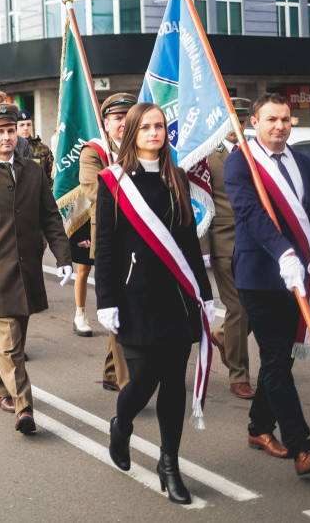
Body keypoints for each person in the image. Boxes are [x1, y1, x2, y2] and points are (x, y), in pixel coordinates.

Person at [224, 93, 310, 476]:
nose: (280, 126)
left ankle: (258, 428)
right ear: (255, 123)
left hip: (301, 279)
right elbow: (251, 214)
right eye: (271, 119)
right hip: (260, 277)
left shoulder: (305, 165)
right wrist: (283, 253)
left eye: (286, 119)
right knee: (277, 358)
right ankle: (301, 447)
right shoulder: (240, 162)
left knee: (282, 359)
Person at [95, 103, 213, 505]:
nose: (153, 133)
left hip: (177, 297)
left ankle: (169, 465)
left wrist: (205, 294)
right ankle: (121, 423)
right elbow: (106, 246)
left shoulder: (176, 177)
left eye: (159, 126)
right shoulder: (113, 181)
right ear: (131, 133)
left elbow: (188, 241)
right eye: (145, 127)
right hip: (134, 299)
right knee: (142, 381)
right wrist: (106, 299)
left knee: (173, 383)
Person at [0, 103, 73, 434]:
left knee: (15, 341)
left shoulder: (33, 171)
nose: (6, 137)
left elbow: (50, 216)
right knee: (8, 343)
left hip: (29, 271)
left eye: (10, 130)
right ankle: (24, 407)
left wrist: (63, 257)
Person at [81, 94, 136, 376]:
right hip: (110, 238)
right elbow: (94, 190)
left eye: (129, 116)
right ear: (106, 123)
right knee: (118, 303)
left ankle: (113, 372)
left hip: (142, 240)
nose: (124, 123)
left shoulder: (147, 148)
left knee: (131, 303)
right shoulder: (94, 152)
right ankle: (128, 383)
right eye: (117, 118)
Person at [204, 99, 254, 399]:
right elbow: (198, 201)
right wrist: (204, 248)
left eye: (244, 121)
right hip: (223, 240)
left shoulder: (254, 151)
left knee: (255, 308)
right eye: (233, 121)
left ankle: (223, 336)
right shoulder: (207, 154)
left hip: (256, 243)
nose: (239, 127)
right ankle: (239, 374)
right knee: (238, 307)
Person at [16, 109, 54, 189]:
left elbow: (51, 176)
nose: (26, 128)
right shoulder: (8, 148)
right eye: (22, 125)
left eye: (28, 124)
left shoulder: (42, 148)